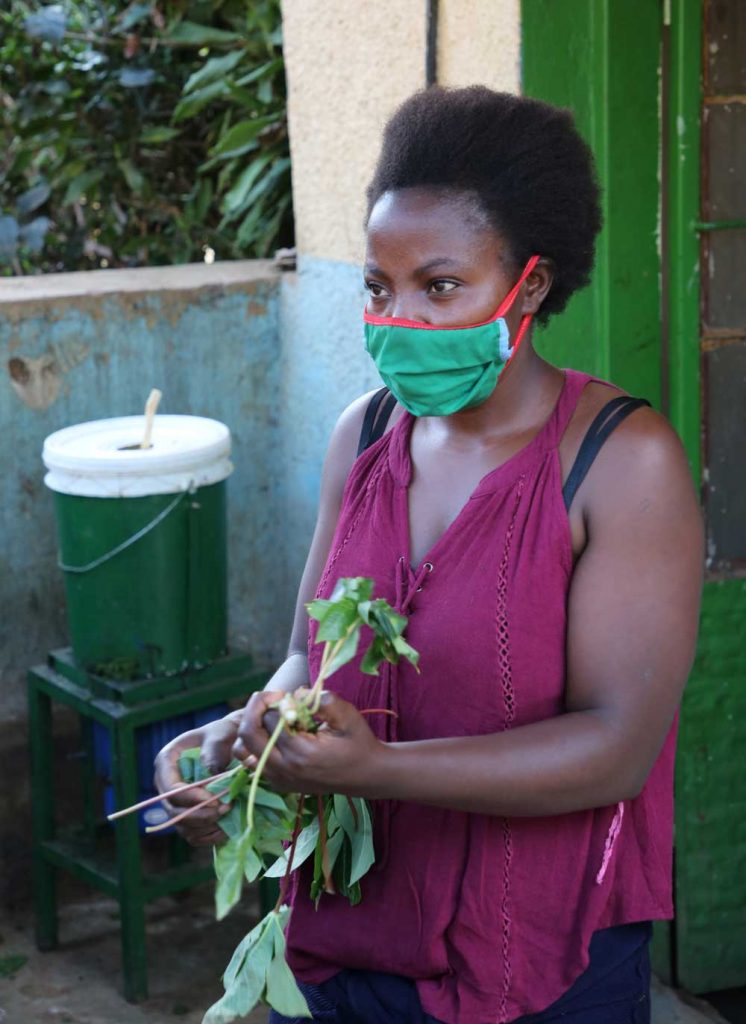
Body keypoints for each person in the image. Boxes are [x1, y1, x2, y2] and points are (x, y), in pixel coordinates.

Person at [154, 86, 703, 1024]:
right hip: (344, 948)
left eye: (439, 287)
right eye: (378, 286)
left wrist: (374, 771)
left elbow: (616, 749)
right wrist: (235, 749)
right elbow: (305, 658)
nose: (397, 318)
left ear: (528, 286)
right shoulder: (361, 437)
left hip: (537, 962)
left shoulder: (622, 463)